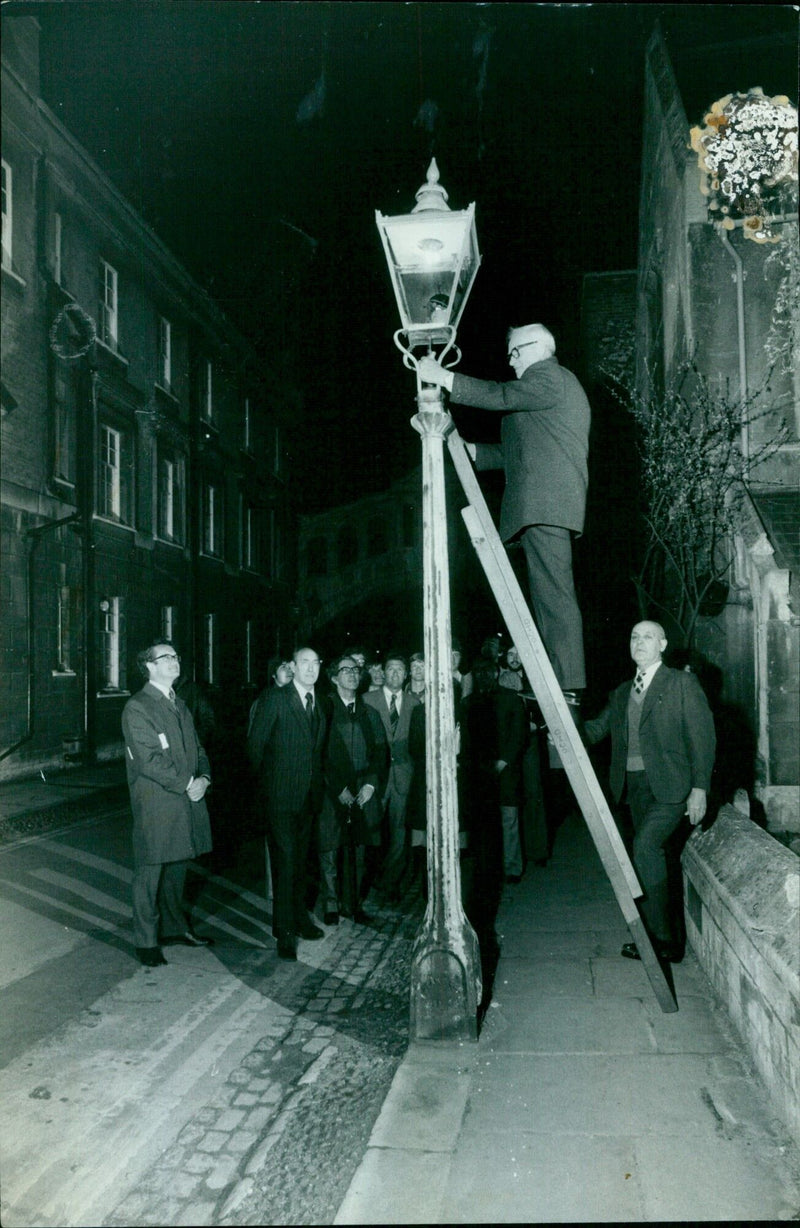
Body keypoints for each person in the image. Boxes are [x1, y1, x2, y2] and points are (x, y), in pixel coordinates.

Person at [419, 324, 590, 703]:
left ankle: (568, 684)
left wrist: (443, 377)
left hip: (546, 503)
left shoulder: (549, 376)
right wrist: (475, 451)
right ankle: (560, 679)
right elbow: (518, 456)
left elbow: (500, 395)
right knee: (548, 595)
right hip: (542, 503)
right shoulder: (545, 391)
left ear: (537, 348)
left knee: (555, 595)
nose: (510, 360)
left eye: (514, 352)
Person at [584, 621, 716, 963]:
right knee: (645, 858)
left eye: (647, 636)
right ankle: (659, 935)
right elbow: (594, 731)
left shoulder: (681, 683)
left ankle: (664, 940)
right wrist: (556, 722)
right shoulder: (623, 691)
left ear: (662, 644)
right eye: (634, 636)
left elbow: (703, 738)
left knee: (646, 847)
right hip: (633, 788)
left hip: (672, 787)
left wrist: (700, 787)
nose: (639, 642)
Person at [121, 641, 214, 967]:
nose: (175, 661)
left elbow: (198, 749)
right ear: (149, 665)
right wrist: (189, 783)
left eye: (176, 656)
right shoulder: (138, 707)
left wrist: (204, 778)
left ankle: (175, 928)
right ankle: (146, 940)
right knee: (151, 869)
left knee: (178, 866)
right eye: (167, 657)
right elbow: (148, 760)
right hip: (158, 802)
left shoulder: (180, 704)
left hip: (185, 798)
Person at [247, 646, 328, 960]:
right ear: (292, 667)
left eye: (315, 663)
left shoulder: (320, 703)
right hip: (279, 800)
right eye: (303, 662)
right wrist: (268, 792)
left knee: (301, 861)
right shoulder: (275, 699)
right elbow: (255, 749)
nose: (310, 668)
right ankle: (284, 931)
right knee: (286, 862)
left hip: (308, 799)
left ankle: (298, 918)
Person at [318, 654, 388, 925]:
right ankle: (331, 905)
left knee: (358, 850)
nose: (352, 674)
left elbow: (381, 752)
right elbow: (318, 753)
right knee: (330, 848)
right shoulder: (324, 709)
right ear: (334, 677)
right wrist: (337, 788)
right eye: (345, 670)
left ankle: (353, 904)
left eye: (356, 670)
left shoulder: (370, 713)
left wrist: (371, 783)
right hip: (331, 790)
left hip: (362, 789)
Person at [363, 653, 421, 902]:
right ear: (382, 673)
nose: (395, 674)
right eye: (390, 669)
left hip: (403, 776)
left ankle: (390, 882)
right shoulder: (367, 700)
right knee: (370, 829)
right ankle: (365, 880)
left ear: (406, 674)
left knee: (400, 833)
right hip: (376, 777)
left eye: (400, 669)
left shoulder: (415, 703)